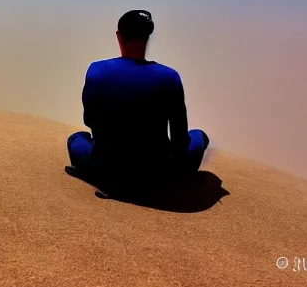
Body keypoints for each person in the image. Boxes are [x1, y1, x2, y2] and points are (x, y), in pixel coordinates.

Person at [66, 10, 210, 195]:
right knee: (199, 136)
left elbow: (90, 121)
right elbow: (179, 141)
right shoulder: (169, 77)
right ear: (148, 37)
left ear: (119, 36)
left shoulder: (97, 71)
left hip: (106, 170)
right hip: (158, 175)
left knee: (77, 138)